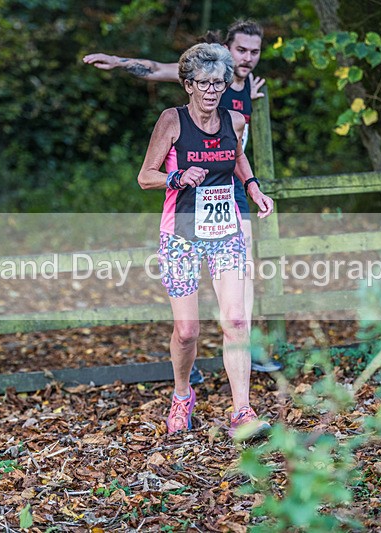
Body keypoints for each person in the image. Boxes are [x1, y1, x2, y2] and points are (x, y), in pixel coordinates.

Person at [84, 19, 283, 377]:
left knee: (244, 268)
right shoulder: (204, 82)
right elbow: (159, 69)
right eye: (241, 50)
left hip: (229, 186)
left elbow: (238, 151)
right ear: (227, 48)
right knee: (190, 303)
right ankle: (189, 346)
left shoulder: (245, 88)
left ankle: (244, 343)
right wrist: (116, 61)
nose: (247, 58)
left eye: (254, 52)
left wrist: (252, 184)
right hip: (191, 193)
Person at [137, 43, 273, 440]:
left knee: (235, 319)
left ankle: (242, 411)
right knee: (187, 331)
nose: (212, 90)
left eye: (219, 82)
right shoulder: (172, 121)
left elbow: (235, 158)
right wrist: (177, 177)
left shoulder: (233, 120)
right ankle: (182, 396)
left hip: (224, 230)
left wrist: (252, 187)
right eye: (204, 83)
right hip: (180, 236)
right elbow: (145, 176)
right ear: (188, 85)